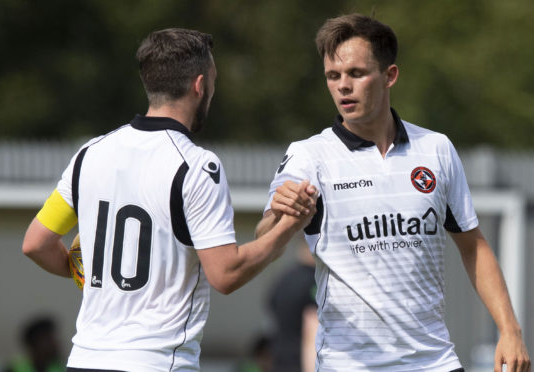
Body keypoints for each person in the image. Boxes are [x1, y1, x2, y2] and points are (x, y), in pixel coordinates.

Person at [22, 28, 316, 372]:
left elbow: (35, 244)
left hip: (85, 359)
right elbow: (225, 274)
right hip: (156, 363)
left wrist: (92, 274)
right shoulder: (197, 166)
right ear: (200, 85)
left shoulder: (90, 153)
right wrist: (286, 231)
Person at [255, 13, 531, 372]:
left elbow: (473, 245)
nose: (342, 86)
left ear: (390, 76)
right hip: (349, 364)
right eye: (333, 76)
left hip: (435, 362)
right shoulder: (309, 156)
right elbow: (264, 238)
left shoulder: (436, 148)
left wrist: (510, 330)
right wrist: (280, 214)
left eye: (356, 73)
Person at [267, 239, 317, 372]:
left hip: (279, 360)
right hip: (302, 362)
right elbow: (312, 327)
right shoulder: (314, 281)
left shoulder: (283, 279)